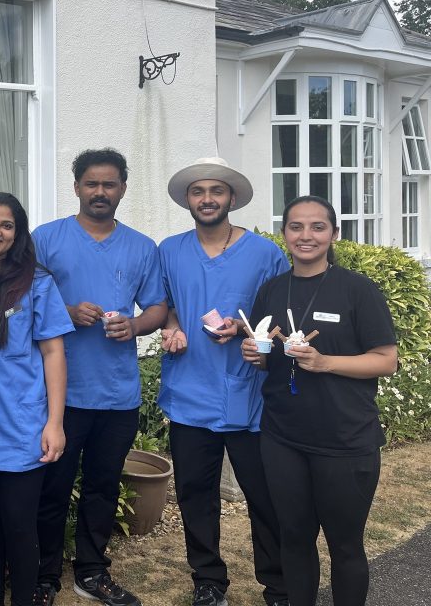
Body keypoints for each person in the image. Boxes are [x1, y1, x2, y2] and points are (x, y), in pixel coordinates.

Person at [242, 196, 397, 606]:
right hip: (283, 438)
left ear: (333, 234)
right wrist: (257, 356)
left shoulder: (358, 291)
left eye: (317, 227)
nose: (305, 236)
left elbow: (386, 360)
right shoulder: (272, 290)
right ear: (284, 234)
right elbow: (268, 363)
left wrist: (325, 362)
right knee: (293, 538)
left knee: (345, 546)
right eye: (296, 227)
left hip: (345, 439)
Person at [31, 149, 168, 606]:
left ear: (123, 189)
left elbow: (157, 308)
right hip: (60, 393)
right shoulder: (46, 239)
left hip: (117, 393)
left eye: (109, 184)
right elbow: (21, 299)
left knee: (102, 488)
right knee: (51, 488)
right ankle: (44, 575)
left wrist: (133, 326)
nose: (100, 192)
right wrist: (65, 312)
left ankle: (91, 571)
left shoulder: (142, 247)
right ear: (76, 188)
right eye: (91, 183)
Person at [158, 158, 289, 606]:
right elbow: (169, 306)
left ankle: (278, 584)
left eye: (216, 191)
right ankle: (208, 581)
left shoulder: (264, 253)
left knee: (265, 497)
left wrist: (249, 330)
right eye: (198, 192)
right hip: (190, 393)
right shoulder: (170, 250)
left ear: (231, 199)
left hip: (249, 396)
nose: (207, 199)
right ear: (188, 201)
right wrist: (171, 328)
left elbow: (281, 321)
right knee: (195, 494)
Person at [0, 191, 72, 606]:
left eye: (7, 225)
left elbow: (53, 352)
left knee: (21, 525)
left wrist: (54, 423)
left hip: (25, 425)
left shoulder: (36, 282)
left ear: (18, 233)